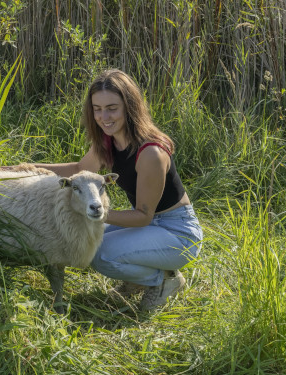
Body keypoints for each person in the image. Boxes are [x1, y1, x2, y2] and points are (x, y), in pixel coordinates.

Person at [28, 69, 203, 311]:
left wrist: (90, 211)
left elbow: (144, 215)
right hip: (149, 224)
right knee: (88, 239)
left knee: (100, 254)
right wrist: (25, 168)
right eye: (97, 109)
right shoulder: (107, 140)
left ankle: (163, 280)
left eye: (112, 108)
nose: (103, 116)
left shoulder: (150, 153)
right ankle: (140, 275)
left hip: (177, 232)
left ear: (129, 107)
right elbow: (80, 168)